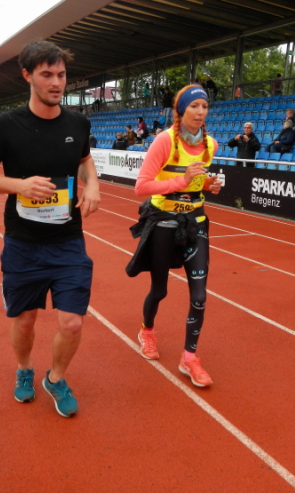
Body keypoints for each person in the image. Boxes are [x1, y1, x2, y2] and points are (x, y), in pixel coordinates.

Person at [0, 40, 101, 418]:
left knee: (72, 322)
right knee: (24, 321)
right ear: (27, 76)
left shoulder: (77, 122)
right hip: (23, 243)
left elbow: (85, 161)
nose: (56, 82)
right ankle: (24, 368)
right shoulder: (5, 126)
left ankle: (55, 379)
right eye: (47, 74)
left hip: (68, 240)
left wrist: (92, 184)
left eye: (61, 75)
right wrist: (20, 186)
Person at [125, 85, 223, 388]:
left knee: (199, 297)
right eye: (194, 106)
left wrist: (208, 185)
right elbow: (141, 187)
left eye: (204, 106)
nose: (200, 112)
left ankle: (189, 358)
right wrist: (181, 180)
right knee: (159, 291)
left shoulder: (210, 144)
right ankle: (147, 330)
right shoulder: (164, 141)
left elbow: (197, 182)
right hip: (163, 223)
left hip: (196, 223)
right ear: (181, 110)